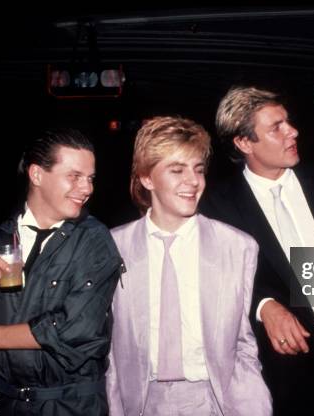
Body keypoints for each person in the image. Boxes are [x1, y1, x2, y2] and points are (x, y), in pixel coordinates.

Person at [199, 86, 314, 415]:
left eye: (289, 122)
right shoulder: (216, 206)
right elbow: (213, 280)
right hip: (292, 378)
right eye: (276, 127)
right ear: (243, 142)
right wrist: (264, 305)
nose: (292, 131)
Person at [0, 129, 122, 415]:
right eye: (74, 176)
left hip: (69, 405)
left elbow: (76, 330)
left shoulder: (94, 240)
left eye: (90, 178)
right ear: (37, 175)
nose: (87, 188)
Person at [106, 116, 271, 416]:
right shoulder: (113, 248)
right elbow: (111, 351)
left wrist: (255, 405)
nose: (193, 181)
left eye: (198, 169)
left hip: (214, 400)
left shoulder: (237, 246)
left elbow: (243, 342)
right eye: (177, 170)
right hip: (142, 403)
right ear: (146, 178)